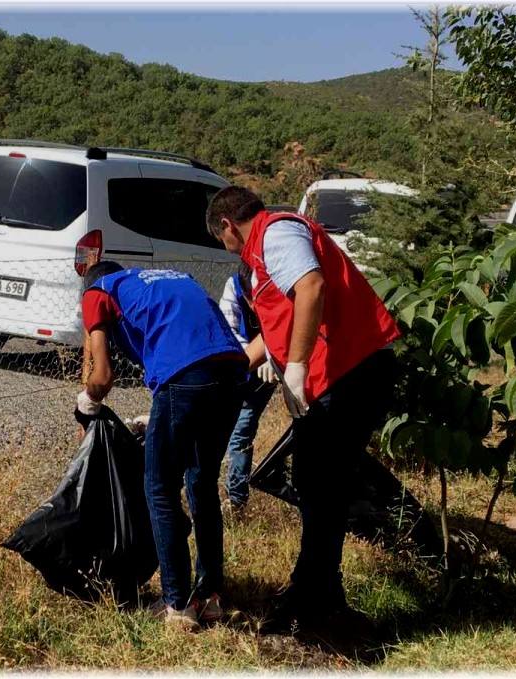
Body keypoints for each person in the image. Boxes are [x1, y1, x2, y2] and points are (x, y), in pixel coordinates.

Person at [205, 185, 432, 633]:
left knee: (320, 481)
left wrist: (296, 367)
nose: (226, 247)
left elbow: (312, 287)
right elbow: (277, 327)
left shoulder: (275, 234)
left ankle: (314, 598)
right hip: (344, 372)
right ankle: (319, 592)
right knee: (316, 482)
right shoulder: (263, 257)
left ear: (227, 225)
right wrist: (227, 372)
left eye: (221, 239)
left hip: (353, 369)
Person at [77, 260, 246, 630]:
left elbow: (102, 376)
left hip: (187, 376)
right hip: (234, 373)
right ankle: (210, 598)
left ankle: (177, 604)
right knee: (202, 482)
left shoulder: (98, 291)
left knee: (160, 488)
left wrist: (86, 404)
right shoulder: (165, 279)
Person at [218, 262, 279, 513]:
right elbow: (228, 330)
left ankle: (236, 500)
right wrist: (258, 355)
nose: (256, 306)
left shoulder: (279, 286)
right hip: (240, 365)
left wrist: (273, 357)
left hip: (275, 367)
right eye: (252, 299)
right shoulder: (234, 286)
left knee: (242, 430)